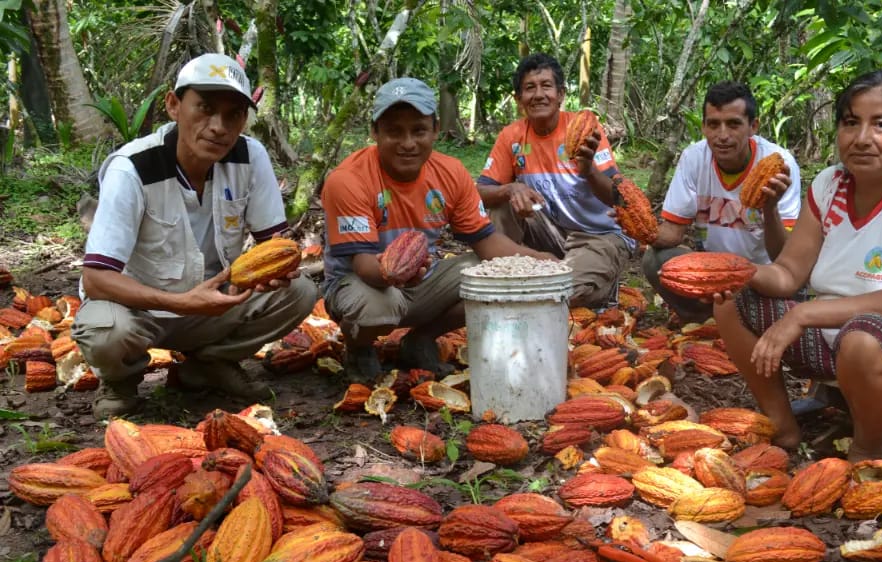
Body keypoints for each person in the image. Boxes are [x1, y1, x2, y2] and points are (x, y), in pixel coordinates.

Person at [713, 67, 882, 463]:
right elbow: (788, 273)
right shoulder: (830, 184)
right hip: (837, 340)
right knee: (730, 298)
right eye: (851, 122)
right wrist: (734, 271)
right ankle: (783, 428)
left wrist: (804, 314)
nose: (861, 139)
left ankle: (867, 451)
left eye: (881, 125)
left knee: (862, 337)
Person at [71, 53, 317, 420]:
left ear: (244, 120)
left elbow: (274, 245)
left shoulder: (250, 157)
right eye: (204, 107)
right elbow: (95, 279)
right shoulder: (133, 168)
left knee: (299, 293)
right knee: (104, 328)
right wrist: (181, 302)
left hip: (214, 303)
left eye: (233, 114)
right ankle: (121, 382)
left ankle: (208, 365)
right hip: (139, 310)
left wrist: (274, 270)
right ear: (173, 105)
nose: (218, 126)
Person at [320, 77, 552, 384]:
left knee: (494, 274)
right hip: (362, 285)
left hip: (419, 280)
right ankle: (358, 347)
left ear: (435, 130)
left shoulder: (451, 173)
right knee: (381, 306)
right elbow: (364, 266)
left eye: (418, 130)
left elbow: (487, 242)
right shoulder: (348, 179)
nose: (407, 143)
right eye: (393, 131)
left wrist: (540, 261)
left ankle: (419, 341)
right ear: (374, 132)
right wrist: (402, 272)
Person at [477, 53, 632, 309]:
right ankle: (514, 270)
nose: (539, 95)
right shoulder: (512, 136)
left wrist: (589, 171)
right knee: (500, 203)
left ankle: (591, 279)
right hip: (549, 231)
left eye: (546, 86)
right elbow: (479, 193)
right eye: (530, 88)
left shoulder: (583, 127)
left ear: (560, 94)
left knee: (561, 292)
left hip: (598, 235)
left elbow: (618, 197)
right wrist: (511, 188)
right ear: (519, 100)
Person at [643, 81, 801, 322]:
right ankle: (702, 318)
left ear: (753, 126)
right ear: (704, 127)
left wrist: (769, 209)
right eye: (713, 124)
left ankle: (744, 319)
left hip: (761, 277)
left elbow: (783, 255)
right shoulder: (694, 158)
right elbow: (672, 234)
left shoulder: (779, 164)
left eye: (734, 124)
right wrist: (634, 221)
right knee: (655, 259)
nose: (723, 135)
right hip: (713, 274)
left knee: (787, 289)